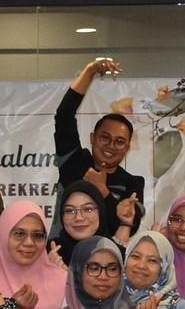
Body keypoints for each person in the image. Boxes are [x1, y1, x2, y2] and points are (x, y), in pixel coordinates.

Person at [56, 56, 145, 232]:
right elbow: (64, 115)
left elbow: (128, 228)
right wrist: (89, 72)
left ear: (127, 148)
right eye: (105, 137)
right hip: (62, 250)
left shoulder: (133, 183)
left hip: (107, 251)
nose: (111, 145)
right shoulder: (74, 163)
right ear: (92, 138)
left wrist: (102, 190)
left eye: (120, 141)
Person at [56, 179, 130, 263]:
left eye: (88, 209)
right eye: (70, 210)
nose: (78, 217)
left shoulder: (121, 258)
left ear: (101, 212)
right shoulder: (47, 253)